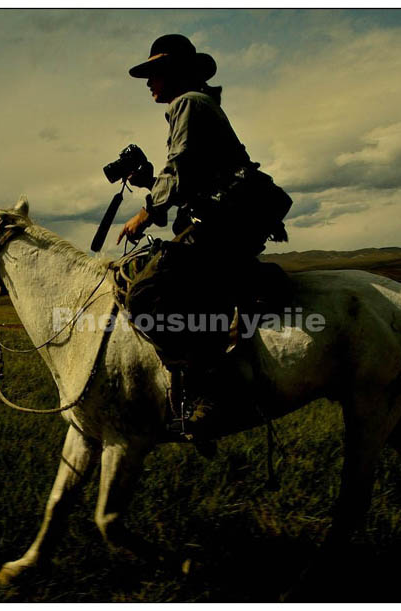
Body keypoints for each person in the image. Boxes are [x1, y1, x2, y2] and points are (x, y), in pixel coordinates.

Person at [114, 34, 291, 443]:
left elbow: (179, 172)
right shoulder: (192, 105)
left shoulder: (188, 103)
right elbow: (189, 173)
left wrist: (146, 213)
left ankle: (212, 389)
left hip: (224, 223)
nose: (148, 83)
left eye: (154, 73)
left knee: (143, 295)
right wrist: (148, 186)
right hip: (227, 219)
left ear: (174, 73)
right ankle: (253, 283)